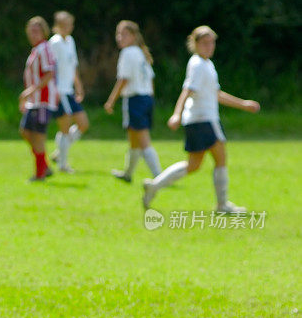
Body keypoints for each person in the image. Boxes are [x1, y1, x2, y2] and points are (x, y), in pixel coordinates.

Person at [142, 25, 260, 212]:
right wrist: (176, 114)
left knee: (194, 165)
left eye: (212, 42)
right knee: (220, 158)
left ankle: (154, 186)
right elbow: (187, 90)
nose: (209, 46)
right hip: (204, 119)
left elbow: (216, 94)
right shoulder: (197, 64)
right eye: (205, 43)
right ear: (195, 44)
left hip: (199, 120)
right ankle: (222, 205)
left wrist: (243, 104)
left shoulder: (206, 64)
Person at [104, 20, 161, 182]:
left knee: (143, 140)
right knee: (134, 140)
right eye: (118, 33)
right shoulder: (140, 53)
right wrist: (150, 99)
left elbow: (123, 80)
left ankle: (159, 176)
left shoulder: (128, 53)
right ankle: (128, 174)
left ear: (134, 36)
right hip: (146, 98)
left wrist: (111, 101)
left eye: (124, 34)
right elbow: (151, 80)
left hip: (135, 100)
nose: (120, 37)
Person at [49, 11, 89, 173]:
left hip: (69, 90)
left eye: (69, 24)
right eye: (64, 25)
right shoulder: (54, 43)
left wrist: (78, 86)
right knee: (65, 127)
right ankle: (63, 165)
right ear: (57, 26)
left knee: (83, 124)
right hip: (59, 91)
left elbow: (73, 67)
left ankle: (60, 152)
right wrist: (54, 90)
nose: (68, 28)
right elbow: (50, 69)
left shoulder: (70, 41)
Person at [19, 16, 58, 181]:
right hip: (34, 101)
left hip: (42, 100)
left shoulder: (45, 48)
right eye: (31, 31)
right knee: (26, 132)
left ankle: (40, 173)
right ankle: (45, 166)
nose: (33, 34)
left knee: (38, 135)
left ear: (44, 31)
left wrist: (31, 91)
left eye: (37, 31)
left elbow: (49, 73)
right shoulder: (36, 49)